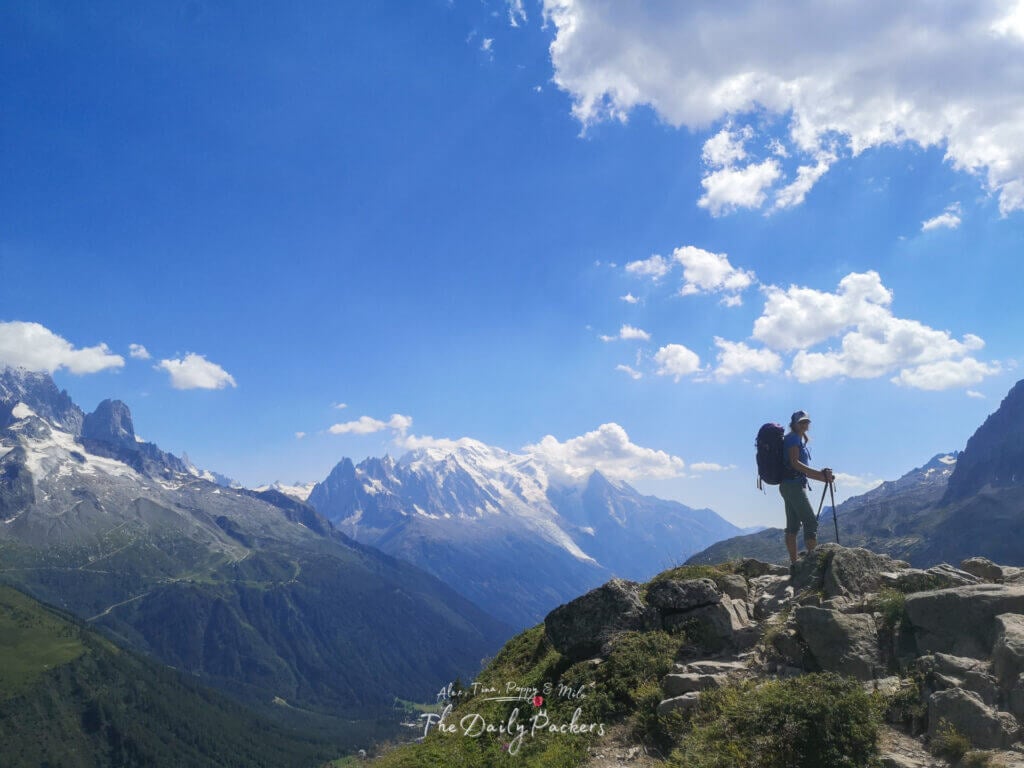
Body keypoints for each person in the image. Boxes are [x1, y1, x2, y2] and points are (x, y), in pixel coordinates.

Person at [780, 410, 834, 573]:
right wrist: (820, 476)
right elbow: (795, 464)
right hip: (794, 486)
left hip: (789, 486)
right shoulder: (793, 439)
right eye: (801, 422)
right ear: (794, 424)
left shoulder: (796, 439)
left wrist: (820, 475)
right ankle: (812, 564)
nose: (804, 424)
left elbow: (795, 466)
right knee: (810, 522)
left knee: (793, 526)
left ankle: (795, 565)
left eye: (806, 422)